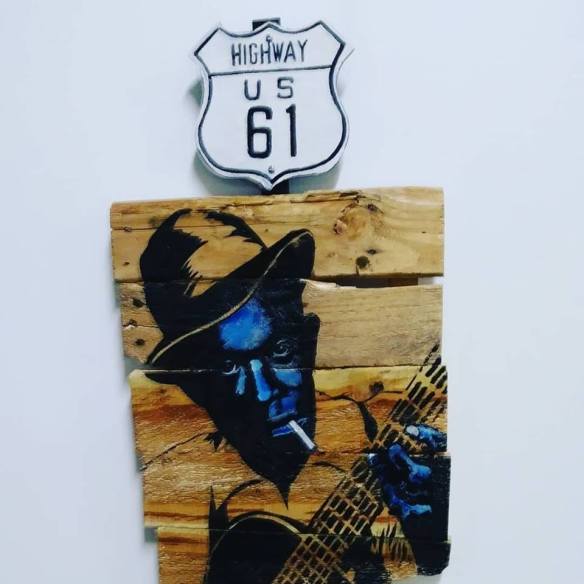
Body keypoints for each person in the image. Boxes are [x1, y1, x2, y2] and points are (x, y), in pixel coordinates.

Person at [140, 210, 449, 583]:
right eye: (228, 368)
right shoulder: (188, 482)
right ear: (196, 388)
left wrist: (426, 536)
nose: (264, 391)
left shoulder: (373, 441)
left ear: (309, 343)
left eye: (279, 351)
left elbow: (425, 567)